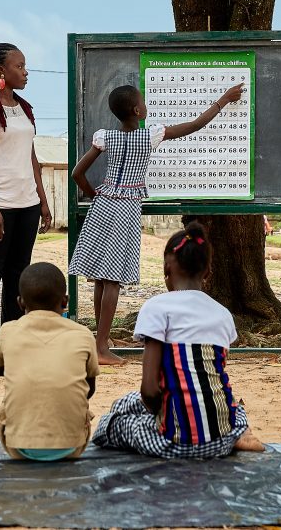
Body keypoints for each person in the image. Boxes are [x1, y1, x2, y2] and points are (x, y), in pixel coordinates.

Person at [69, 82, 244, 365]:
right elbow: (195, 125)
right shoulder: (150, 136)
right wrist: (223, 99)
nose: (146, 104)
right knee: (112, 278)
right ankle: (101, 347)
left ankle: (100, 340)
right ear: (138, 111)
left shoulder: (105, 138)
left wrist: (98, 194)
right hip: (126, 208)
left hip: (103, 204)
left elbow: (78, 173)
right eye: (143, 101)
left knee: (101, 277)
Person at [92, 222, 263, 459]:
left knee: (109, 423)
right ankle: (241, 432)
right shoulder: (223, 314)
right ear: (208, 271)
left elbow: (150, 391)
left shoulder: (156, 308)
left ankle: (166, 423)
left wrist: (161, 414)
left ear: (166, 267)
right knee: (232, 403)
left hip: (173, 442)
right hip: (221, 440)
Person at [0, 43, 53, 361]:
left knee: (18, 273)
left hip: (26, 203)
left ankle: (10, 338)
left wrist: (42, 200)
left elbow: (31, 158)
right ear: (2, 70)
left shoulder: (24, 108)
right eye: (20, 66)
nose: (26, 71)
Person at [0, 262, 98, 461]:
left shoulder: (8, 331)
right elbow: (90, 388)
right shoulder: (83, 335)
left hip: (18, 447)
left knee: (7, 401)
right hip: (72, 446)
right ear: (65, 301)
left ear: (21, 303)